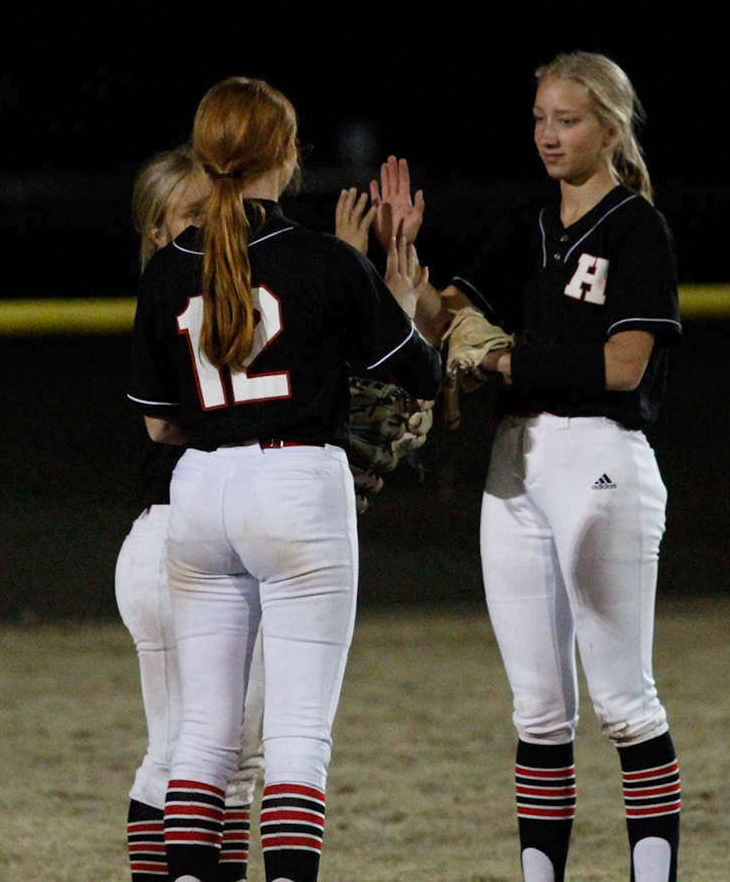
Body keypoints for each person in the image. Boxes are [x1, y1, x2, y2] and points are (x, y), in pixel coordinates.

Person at [126, 77, 441, 882]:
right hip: (297, 484)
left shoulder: (167, 271)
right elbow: (421, 373)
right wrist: (396, 295)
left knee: (202, 738)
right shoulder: (322, 259)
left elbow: (161, 425)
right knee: (296, 738)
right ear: (288, 155)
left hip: (198, 493)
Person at [394, 51, 684, 882]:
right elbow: (446, 323)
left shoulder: (636, 228)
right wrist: (404, 260)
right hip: (515, 465)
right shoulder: (527, 223)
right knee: (538, 710)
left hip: (601, 457)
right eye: (539, 120)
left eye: (567, 119)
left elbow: (623, 366)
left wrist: (503, 361)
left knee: (624, 702)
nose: (548, 135)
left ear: (611, 128)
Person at [118, 147, 266, 882]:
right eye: (191, 216)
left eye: (216, 211)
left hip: (162, 548)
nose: (210, 226)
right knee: (223, 762)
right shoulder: (190, 298)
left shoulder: (181, 298)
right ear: (155, 231)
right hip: (187, 544)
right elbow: (173, 427)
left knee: (179, 755)